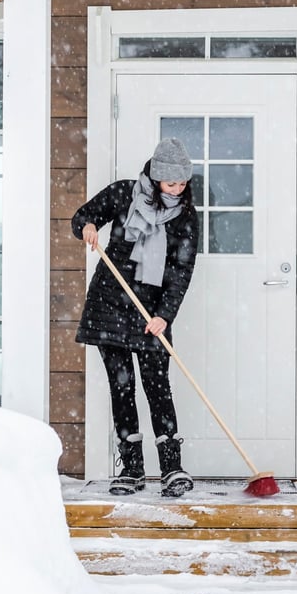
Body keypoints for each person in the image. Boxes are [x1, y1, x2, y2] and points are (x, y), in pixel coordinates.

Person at [72, 138, 198, 497]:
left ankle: (172, 468)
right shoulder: (124, 194)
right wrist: (88, 227)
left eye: (182, 183)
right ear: (156, 178)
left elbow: (182, 270)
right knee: (122, 386)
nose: (177, 189)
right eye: (171, 183)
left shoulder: (185, 215)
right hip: (110, 304)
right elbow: (84, 216)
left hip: (150, 312)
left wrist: (164, 316)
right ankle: (131, 469)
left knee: (157, 386)